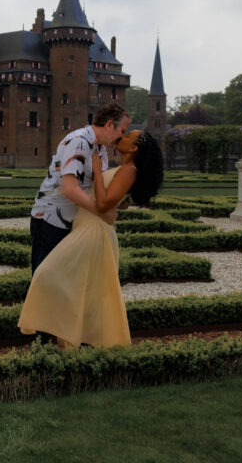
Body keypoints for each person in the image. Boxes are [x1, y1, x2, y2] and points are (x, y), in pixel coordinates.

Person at [18, 129, 164, 348]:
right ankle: (65, 339)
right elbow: (110, 201)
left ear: (133, 148)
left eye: (127, 136)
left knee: (46, 275)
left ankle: (61, 337)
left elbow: (104, 204)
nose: (121, 137)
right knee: (78, 287)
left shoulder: (129, 171)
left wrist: (96, 171)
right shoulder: (124, 169)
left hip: (93, 232)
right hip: (85, 227)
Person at [29, 104, 131, 275]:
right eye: (122, 130)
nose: (122, 137)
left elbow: (99, 189)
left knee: (65, 285)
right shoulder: (79, 141)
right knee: (45, 283)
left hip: (70, 221)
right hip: (50, 221)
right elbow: (69, 189)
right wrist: (102, 211)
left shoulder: (99, 149)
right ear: (109, 125)